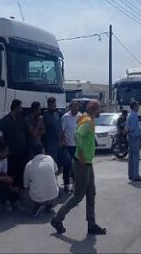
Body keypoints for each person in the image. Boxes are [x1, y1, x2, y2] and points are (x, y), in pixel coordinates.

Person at [51, 100, 107, 236]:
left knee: (91, 193)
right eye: (99, 108)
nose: (101, 111)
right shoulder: (87, 121)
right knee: (78, 195)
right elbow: (77, 135)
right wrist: (81, 154)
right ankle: (57, 219)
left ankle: (91, 224)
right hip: (82, 163)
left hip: (87, 163)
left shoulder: (87, 119)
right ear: (94, 109)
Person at [0, 100, 28, 190]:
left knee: (19, 174)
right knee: (9, 174)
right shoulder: (5, 120)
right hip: (10, 154)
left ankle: (17, 197)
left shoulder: (21, 119)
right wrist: (1, 140)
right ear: (15, 108)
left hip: (21, 153)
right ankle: (8, 198)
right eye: (20, 108)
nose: (21, 110)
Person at [22, 145, 60, 217]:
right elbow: (56, 171)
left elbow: (26, 185)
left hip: (37, 198)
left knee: (25, 191)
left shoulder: (29, 165)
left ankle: (36, 206)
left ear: (32, 153)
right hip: (54, 195)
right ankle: (48, 206)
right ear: (43, 150)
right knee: (52, 179)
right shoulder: (50, 158)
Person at [60, 100, 82, 192]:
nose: (77, 109)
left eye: (78, 107)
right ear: (71, 107)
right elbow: (61, 131)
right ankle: (66, 183)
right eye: (75, 107)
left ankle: (74, 184)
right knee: (67, 165)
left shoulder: (80, 116)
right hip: (68, 145)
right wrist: (63, 141)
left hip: (77, 145)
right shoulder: (65, 117)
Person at [0, 142, 20, 212]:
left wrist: (10, 185)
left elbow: (5, 173)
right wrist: (2, 179)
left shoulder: (4, 159)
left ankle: (8, 201)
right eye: (6, 152)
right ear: (0, 152)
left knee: (10, 181)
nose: (7, 153)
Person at [42, 97, 66, 177]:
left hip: (58, 143)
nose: (54, 106)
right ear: (49, 105)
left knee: (64, 163)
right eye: (52, 105)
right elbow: (43, 130)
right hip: (50, 145)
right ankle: (52, 182)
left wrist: (63, 140)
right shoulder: (45, 115)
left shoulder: (56, 114)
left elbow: (60, 127)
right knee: (52, 164)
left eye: (55, 105)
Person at [126, 100, 141, 182]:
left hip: (130, 137)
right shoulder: (134, 116)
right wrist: (138, 134)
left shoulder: (129, 115)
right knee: (136, 157)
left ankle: (131, 174)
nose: (138, 107)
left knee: (131, 157)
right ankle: (136, 175)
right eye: (137, 106)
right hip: (134, 137)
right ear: (134, 107)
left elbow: (127, 127)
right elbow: (133, 127)